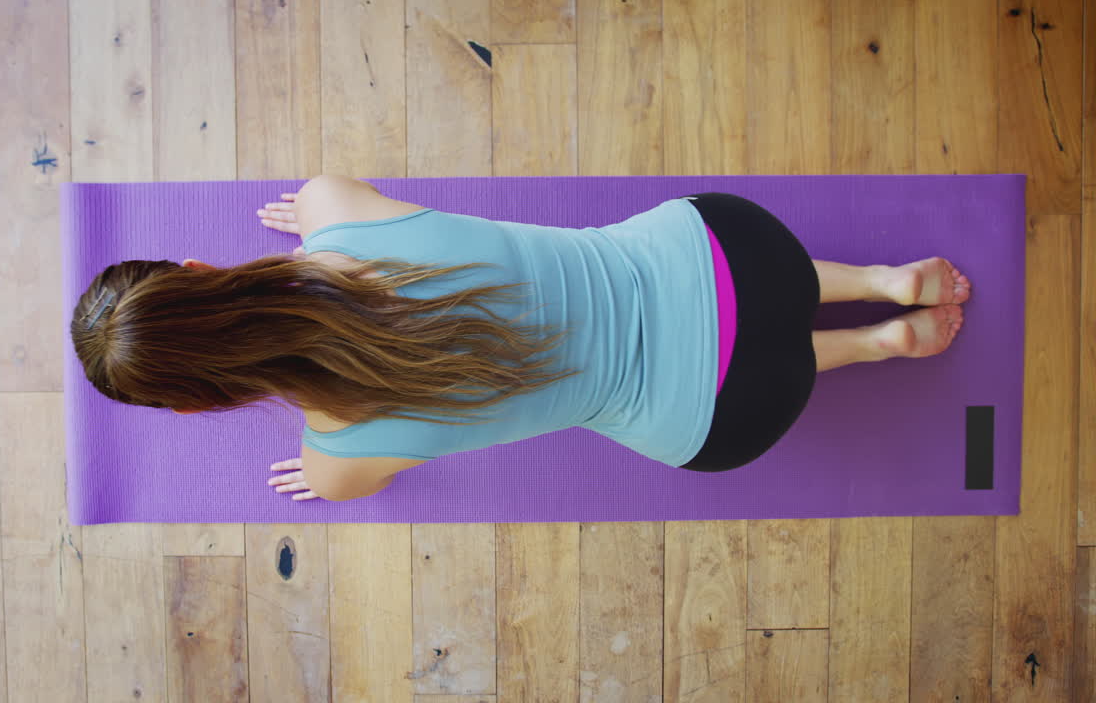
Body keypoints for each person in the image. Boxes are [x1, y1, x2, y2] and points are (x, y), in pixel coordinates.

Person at [70, 174, 970, 503]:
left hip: (728, 416)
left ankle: (883, 343)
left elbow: (345, 469)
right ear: (193, 271)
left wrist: (326, 464)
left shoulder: (343, 456)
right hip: (735, 249)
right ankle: (888, 282)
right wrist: (302, 234)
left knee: (763, 360)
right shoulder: (332, 209)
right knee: (744, 281)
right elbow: (317, 215)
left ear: (202, 399)